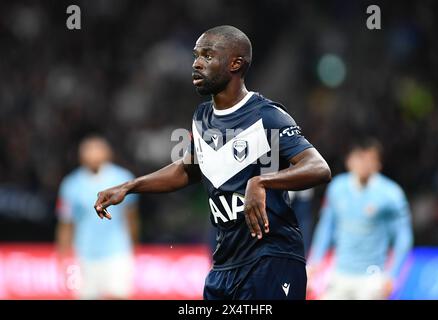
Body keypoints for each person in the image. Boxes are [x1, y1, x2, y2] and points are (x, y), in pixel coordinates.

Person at [94, 25, 331, 300]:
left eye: (207, 55)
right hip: (224, 265)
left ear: (235, 63)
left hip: (271, 259)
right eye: (196, 55)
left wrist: (262, 180)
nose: (196, 63)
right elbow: (187, 169)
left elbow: (318, 167)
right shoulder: (201, 117)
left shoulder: (267, 115)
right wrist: (130, 186)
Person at [308, 138, 413, 300]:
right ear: (349, 160)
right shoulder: (337, 188)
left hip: (371, 277)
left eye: (369, 159)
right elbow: (326, 227)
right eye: (360, 157)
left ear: (378, 164)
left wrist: (393, 274)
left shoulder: (391, 194)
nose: (364, 164)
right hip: (340, 273)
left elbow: (403, 237)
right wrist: (314, 262)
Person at [56, 136, 139, 299]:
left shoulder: (123, 179)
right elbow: (66, 224)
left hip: (118, 252)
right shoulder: (71, 184)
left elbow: (131, 217)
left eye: (97, 149)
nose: (93, 154)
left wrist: (133, 248)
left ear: (108, 153)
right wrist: (63, 257)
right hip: (84, 255)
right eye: (88, 150)